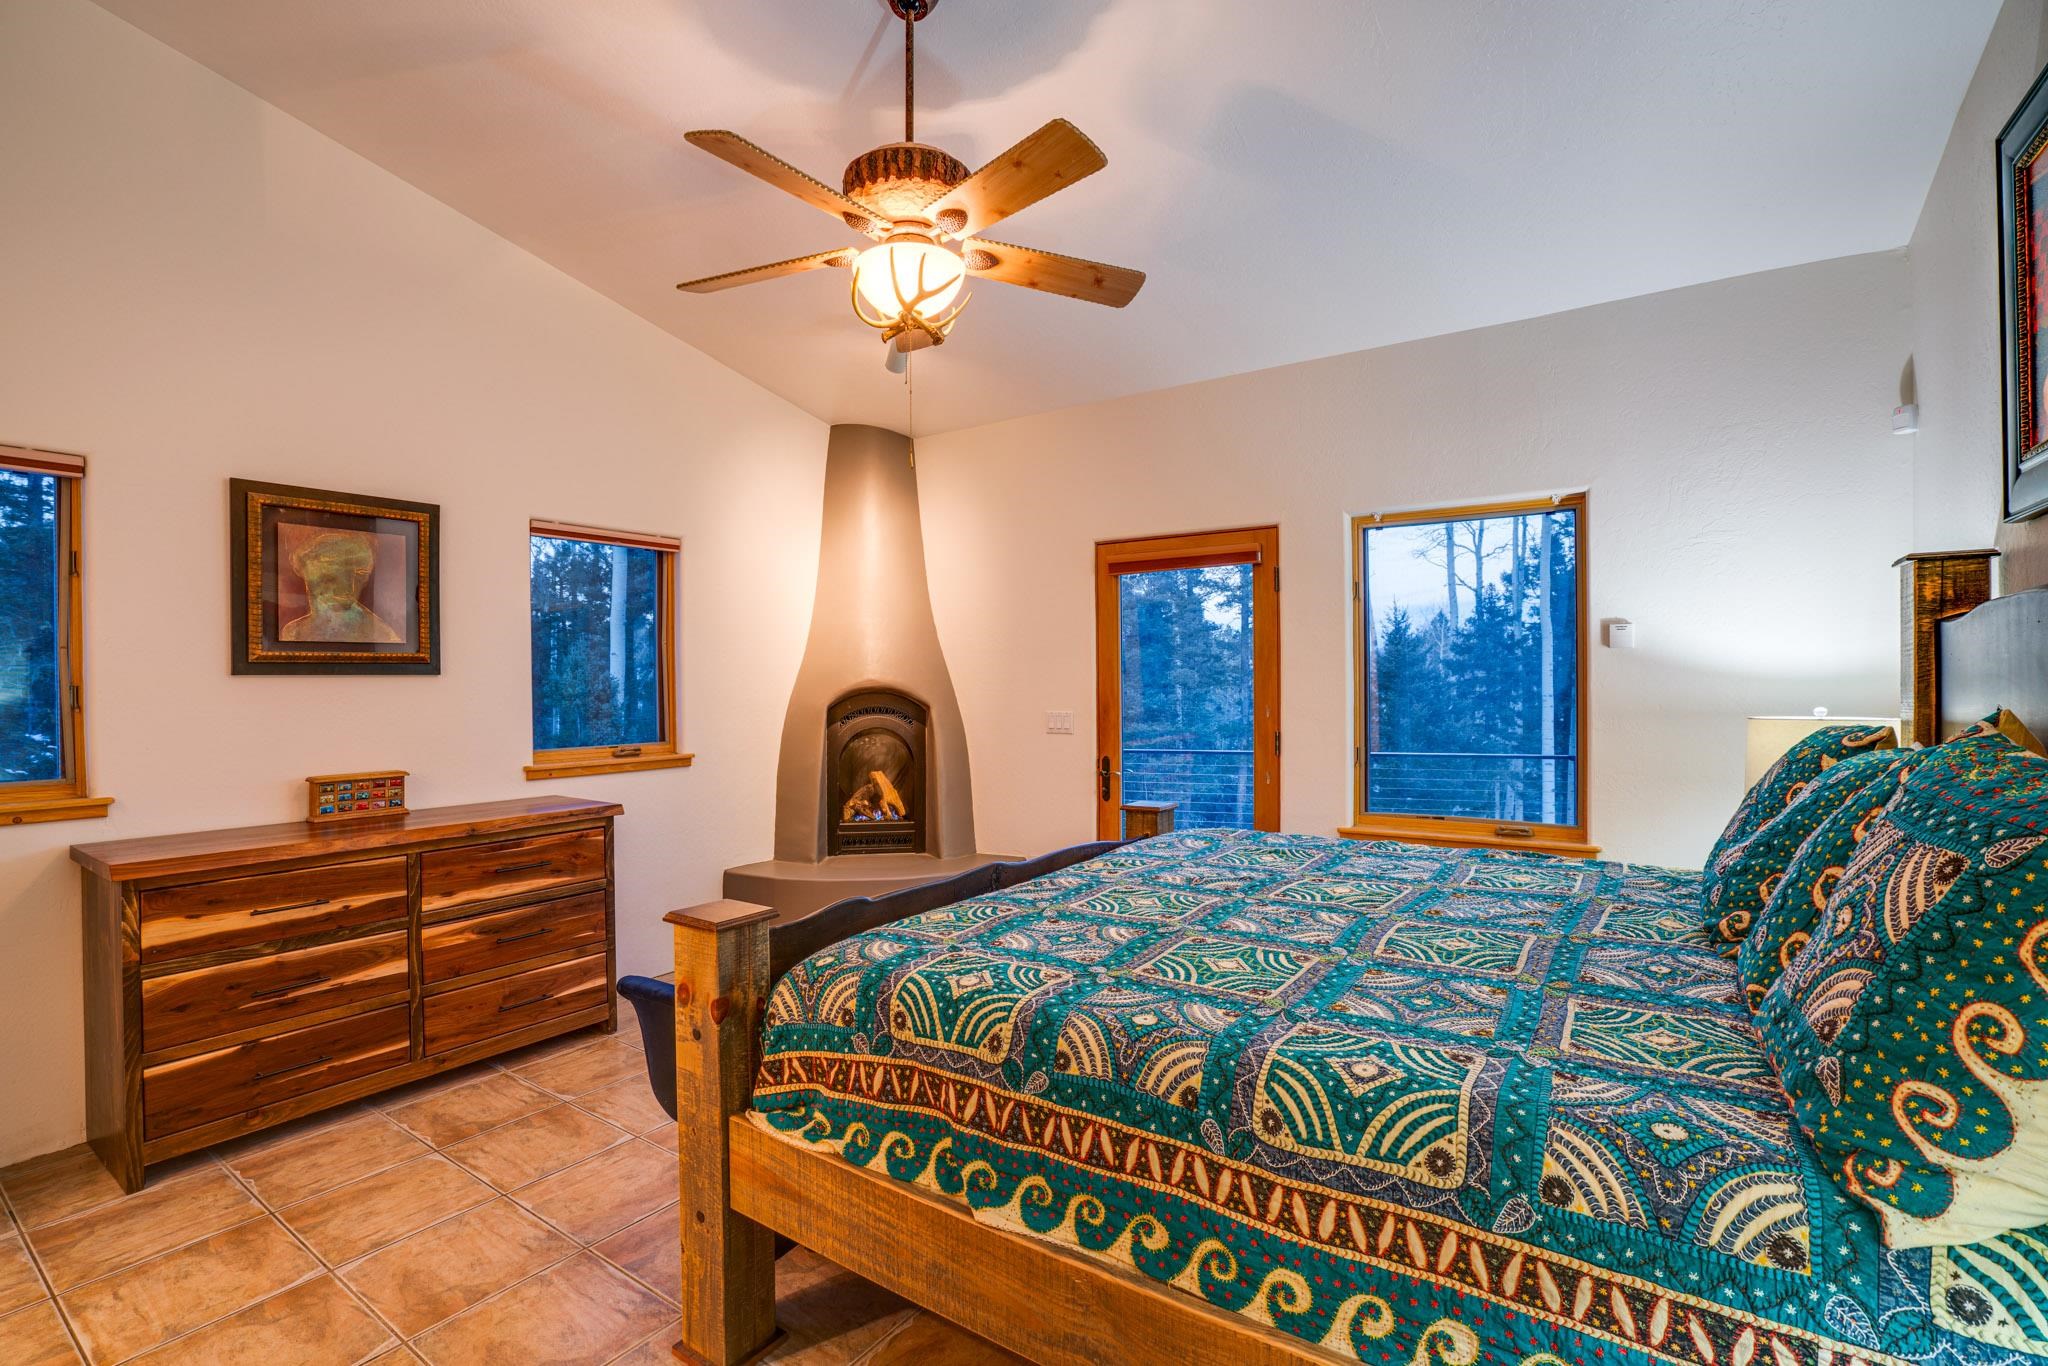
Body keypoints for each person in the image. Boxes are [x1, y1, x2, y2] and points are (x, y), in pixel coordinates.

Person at [280, 530, 404, 643]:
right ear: (304, 572)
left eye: (359, 576)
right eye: (329, 577)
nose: (348, 588)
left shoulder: (381, 634)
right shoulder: (293, 632)